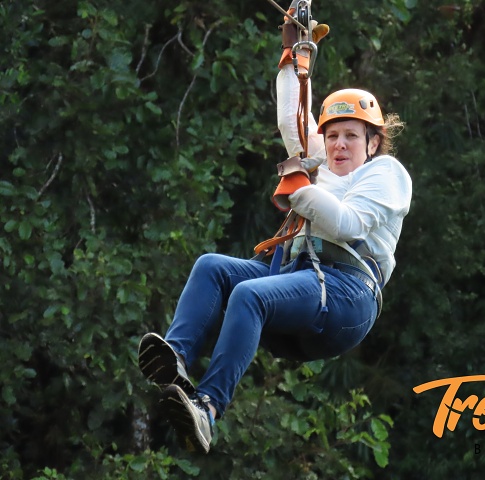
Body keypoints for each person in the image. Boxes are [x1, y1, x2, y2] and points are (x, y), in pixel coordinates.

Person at [137, 13, 412, 455]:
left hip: (347, 293)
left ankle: (208, 408)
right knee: (212, 267)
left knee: (250, 294)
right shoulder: (322, 164)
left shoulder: (386, 174)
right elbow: (291, 120)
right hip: (300, 276)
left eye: (351, 136)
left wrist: (300, 189)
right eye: (333, 136)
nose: (339, 145)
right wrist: (293, 53)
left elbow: (347, 224)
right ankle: (177, 360)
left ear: (373, 143)